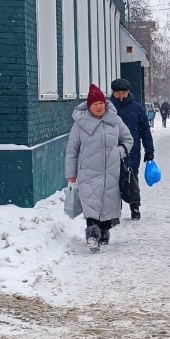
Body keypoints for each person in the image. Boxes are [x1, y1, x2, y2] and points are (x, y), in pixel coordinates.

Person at [65, 84, 133, 253]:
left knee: (107, 203)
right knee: (91, 205)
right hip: (88, 171)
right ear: (89, 106)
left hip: (111, 171)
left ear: (105, 103)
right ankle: (92, 235)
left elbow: (128, 139)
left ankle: (104, 231)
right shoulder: (80, 124)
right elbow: (72, 150)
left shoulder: (114, 119)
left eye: (101, 103)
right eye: (94, 104)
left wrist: (119, 152)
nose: (98, 106)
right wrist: (71, 174)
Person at [109, 78, 154, 220]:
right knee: (112, 181)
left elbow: (145, 130)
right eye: (118, 93)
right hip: (112, 150)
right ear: (113, 93)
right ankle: (115, 211)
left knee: (131, 178)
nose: (121, 96)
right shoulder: (108, 108)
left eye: (123, 92)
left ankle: (135, 207)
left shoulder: (137, 108)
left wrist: (149, 149)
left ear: (128, 92)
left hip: (132, 150)